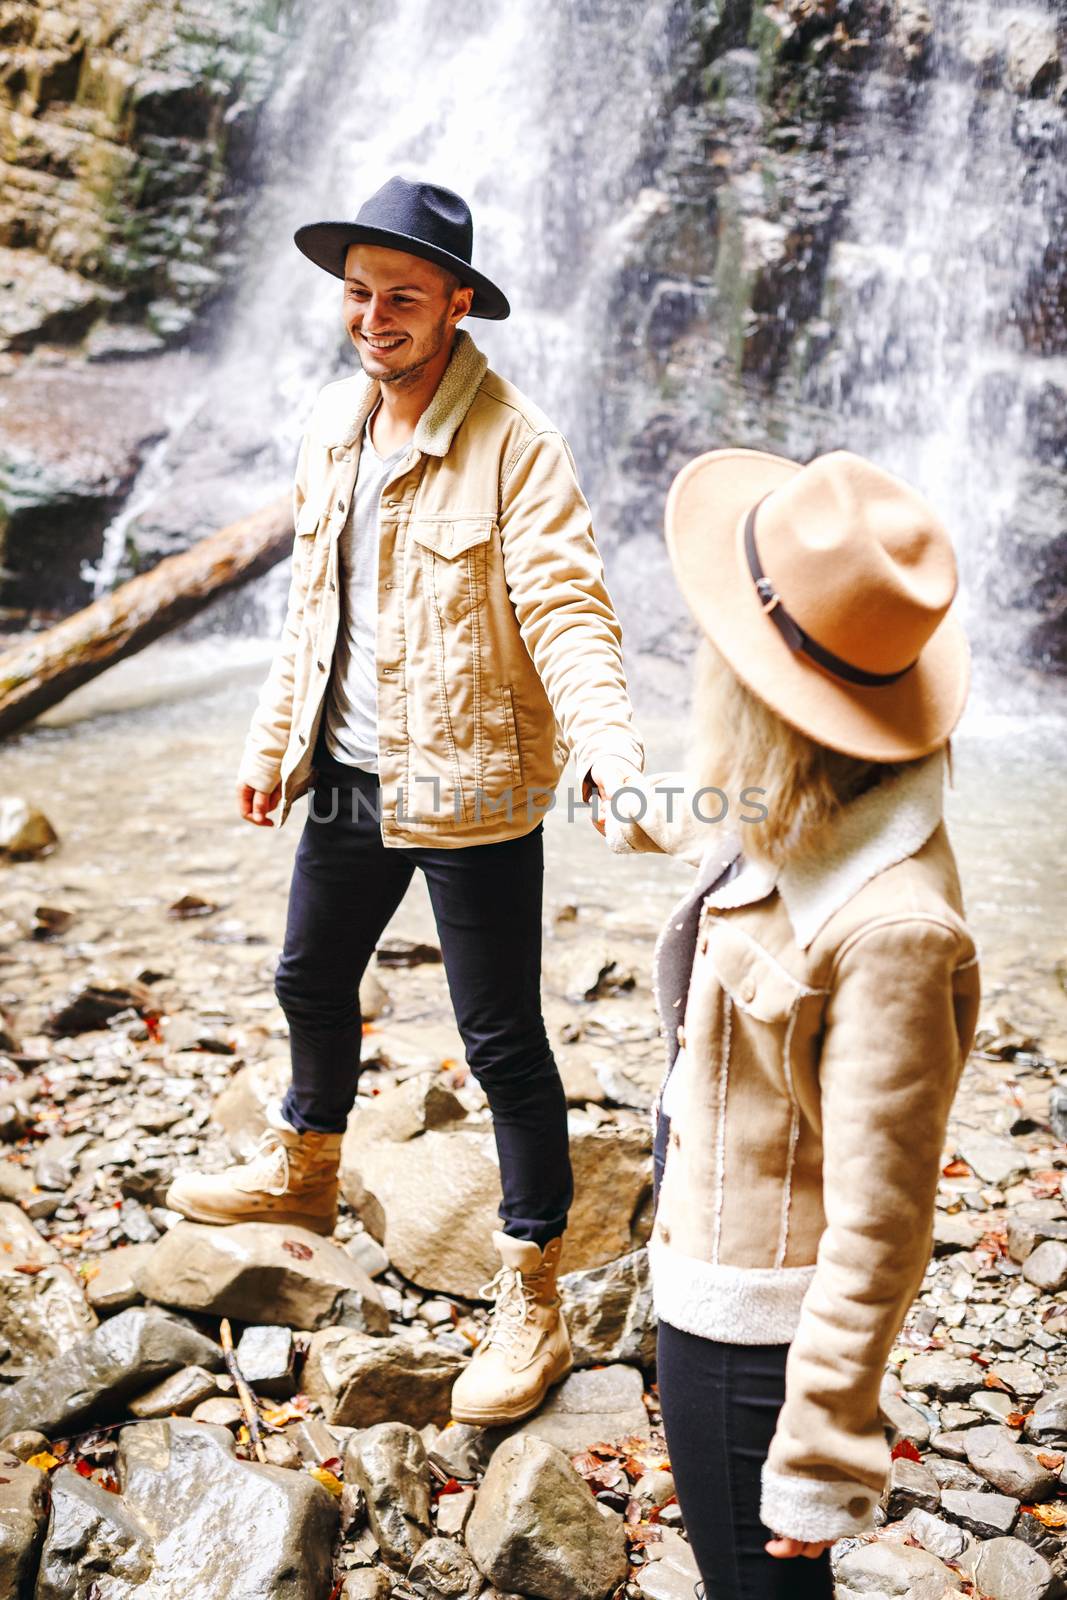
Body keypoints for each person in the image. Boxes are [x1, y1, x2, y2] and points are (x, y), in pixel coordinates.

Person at [165, 175, 644, 1426]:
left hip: (473, 788)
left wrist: (606, 750)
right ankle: (304, 1168)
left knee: (500, 1046)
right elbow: (310, 613)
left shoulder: (517, 447)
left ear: (457, 306)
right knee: (306, 981)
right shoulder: (338, 422)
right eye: (359, 293)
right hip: (351, 775)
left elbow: (566, 610)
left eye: (403, 298)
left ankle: (530, 1293)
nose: (374, 316)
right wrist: (279, 742)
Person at [605, 446, 980, 1598]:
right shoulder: (814, 789)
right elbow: (731, 817)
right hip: (703, 1241)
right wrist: (617, 796)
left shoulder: (895, 933)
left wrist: (819, 1455)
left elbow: (881, 1225)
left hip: (752, 1327)